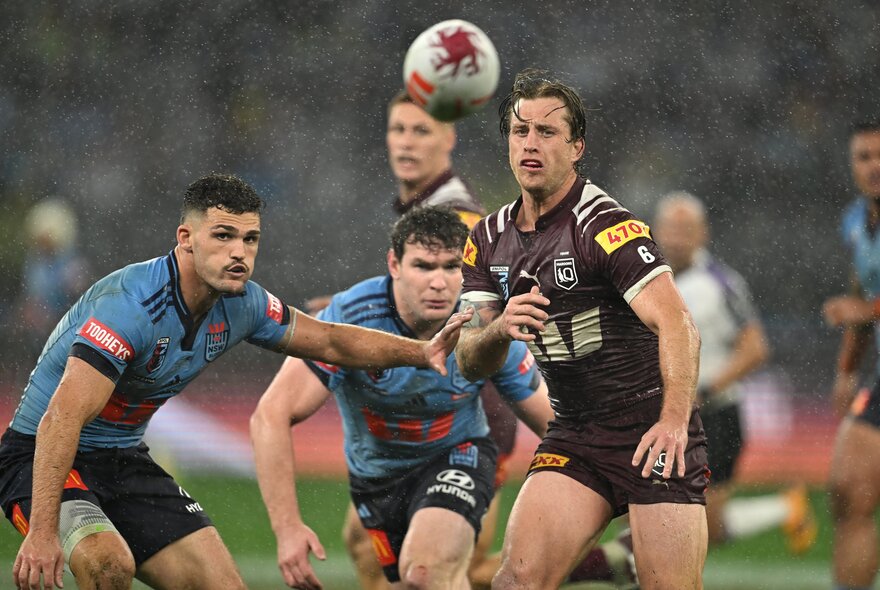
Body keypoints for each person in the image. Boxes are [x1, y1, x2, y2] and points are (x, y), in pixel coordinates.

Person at [0, 173, 469, 590]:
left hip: (121, 458)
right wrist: (42, 533)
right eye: (223, 236)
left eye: (250, 239)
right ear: (185, 238)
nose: (239, 253)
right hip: (42, 454)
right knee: (108, 564)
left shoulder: (243, 303)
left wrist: (422, 352)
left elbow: (329, 341)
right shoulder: (130, 306)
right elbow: (61, 419)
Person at [455, 69, 709, 590]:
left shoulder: (605, 226)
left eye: (547, 132)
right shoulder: (485, 239)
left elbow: (680, 326)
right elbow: (468, 358)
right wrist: (499, 328)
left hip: (651, 428)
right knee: (513, 583)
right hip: (575, 433)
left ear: (576, 148)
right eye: (520, 130)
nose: (530, 143)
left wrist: (674, 420)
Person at [251, 206, 555, 589]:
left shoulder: (483, 321)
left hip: (459, 456)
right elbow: (271, 415)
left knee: (425, 575)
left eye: (452, 266)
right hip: (376, 481)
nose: (440, 282)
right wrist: (288, 528)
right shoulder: (351, 317)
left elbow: (553, 423)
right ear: (394, 264)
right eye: (424, 266)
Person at [306, 90, 527, 590]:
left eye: (421, 131)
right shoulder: (426, 206)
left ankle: (603, 565)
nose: (406, 142)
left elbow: (479, 305)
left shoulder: (461, 218)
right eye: (398, 129)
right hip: (428, 400)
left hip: (471, 410)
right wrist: (346, 310)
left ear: (449, 139)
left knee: (450, 569)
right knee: (371, 547)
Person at [653, 191, 817, 553]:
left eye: (686, 229)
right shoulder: (644, 279)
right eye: (671, 228)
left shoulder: (721, 284)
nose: (677, 238)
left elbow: (756, 348)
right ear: (656, 231)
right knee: (655, 517)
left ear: (703, 234)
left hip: (714, 417)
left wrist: (706, 389)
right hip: (663, 416)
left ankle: (784, 508)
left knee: (706, 528)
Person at [823, 119, 880, 590]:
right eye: (863, 157)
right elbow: (864, 289)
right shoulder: (855, 222)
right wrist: (846, 371)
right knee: (848, 489)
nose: (874, 166)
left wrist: (865, 308)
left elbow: (865, 302)